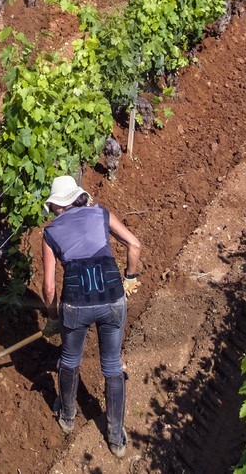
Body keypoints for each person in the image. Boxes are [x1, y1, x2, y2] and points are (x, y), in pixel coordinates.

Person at [40, 174, 142, 457]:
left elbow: (49, 288)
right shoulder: (101, 214)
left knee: (70, 360)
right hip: (112, 299)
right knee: (111, 365)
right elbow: (134, 245)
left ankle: (68, 417)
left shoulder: (50, 234)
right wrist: (130, 278)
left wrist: (52, 318)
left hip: (76, 305)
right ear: (78, 197)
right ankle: (116, 437)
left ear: (58, 206)